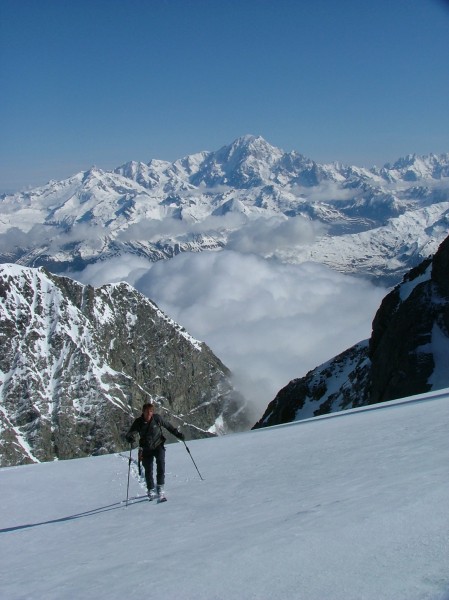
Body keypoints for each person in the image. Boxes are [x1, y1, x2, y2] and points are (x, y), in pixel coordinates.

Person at [126, 402, 184, 500]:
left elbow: (168, 426)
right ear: (143, 412)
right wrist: (130, 438)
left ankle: (160, 487)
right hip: (145, 448)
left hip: (158, 445)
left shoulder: (157, 419)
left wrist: (178, 434)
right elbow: (130, 434)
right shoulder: (138, 422)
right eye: (147, 412)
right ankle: (151, 489)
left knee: (161, 464)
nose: (149, 414)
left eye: (151, 412)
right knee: (148, 469)